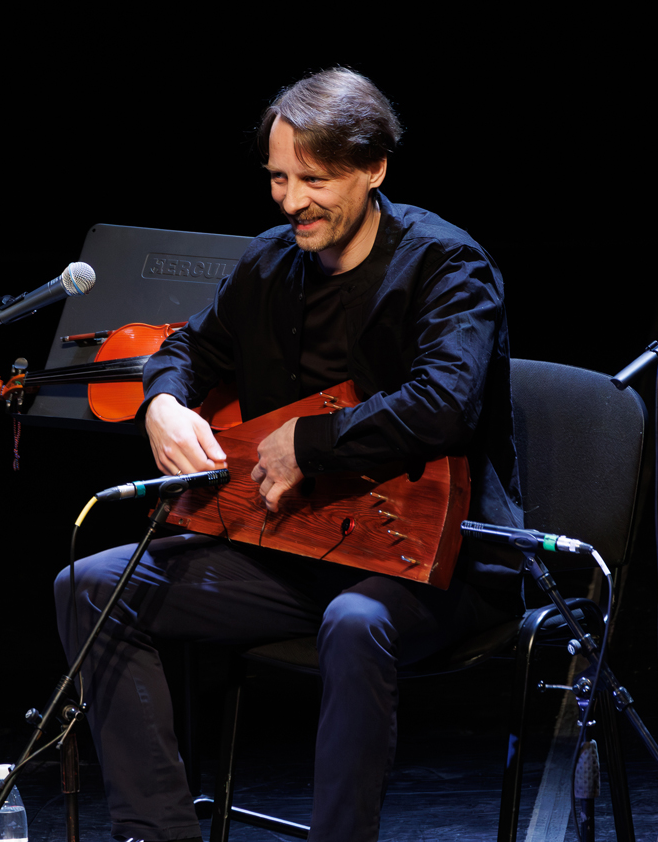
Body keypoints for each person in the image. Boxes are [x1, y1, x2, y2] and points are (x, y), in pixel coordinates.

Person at [55, 67, 524, 842]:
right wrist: (162, 404)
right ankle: (157, 832)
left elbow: (443, 403)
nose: (289, 200)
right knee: (89, 587)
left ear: (373, 169)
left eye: (314, 179)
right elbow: (187, 348)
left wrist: (310, 442)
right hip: (292, 553)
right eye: (277, 177)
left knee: (354, 622)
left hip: (436, 564)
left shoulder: (446, 265)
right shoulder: (269, 262)